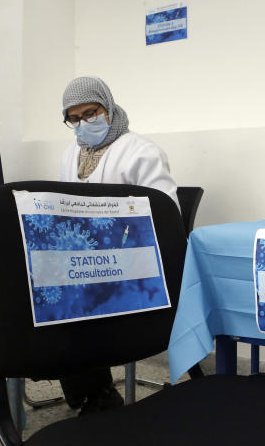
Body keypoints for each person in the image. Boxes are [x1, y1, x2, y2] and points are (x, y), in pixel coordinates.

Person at [57, 76, 179, 414]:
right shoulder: (71, 154)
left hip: (133, 261)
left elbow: (166, 217)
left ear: (107, 108)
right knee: (44, 285)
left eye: (90, 112)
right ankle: (86, 392)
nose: (83, 123)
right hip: (86, 261)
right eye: (74, 118)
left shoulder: (141, 152)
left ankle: (96, 397)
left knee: (70, 294)